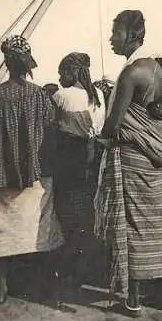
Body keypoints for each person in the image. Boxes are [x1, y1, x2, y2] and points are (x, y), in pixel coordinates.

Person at [94, 10, 162, 316]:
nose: (111, 39)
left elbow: (115, 124)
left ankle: (133, 299)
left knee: (131, 224)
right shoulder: (154, 67)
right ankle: (160, 295)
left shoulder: (131, 72)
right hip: (152, 160)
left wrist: (99, 138)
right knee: (155, 223)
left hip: (131, 156)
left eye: (115, 33)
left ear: (132, 35)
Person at [0, 35, 65, 305]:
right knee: (40, 232)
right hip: (35, 175)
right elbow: (50, 132)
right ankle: (46, 289)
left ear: (7, 63)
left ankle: (1, 288)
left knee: (1, 231)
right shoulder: (39, 95)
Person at [52, 52, 106, 284]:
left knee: (66, 212)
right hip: (93, 159)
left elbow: (51, 127)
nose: (60, 76)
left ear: (72, 72)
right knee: (86, 213)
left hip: (69, 157)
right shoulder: (100, 95)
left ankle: (64, 268)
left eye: (62, 72)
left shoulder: (61, 95)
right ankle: (82, 268)